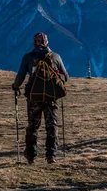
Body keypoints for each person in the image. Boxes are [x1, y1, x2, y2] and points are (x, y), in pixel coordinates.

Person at [12, 32, 69, 164]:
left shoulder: (28, 58)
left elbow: (20, 77)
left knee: (33, 126)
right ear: (47, 42)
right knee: (51, 125)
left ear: (34, 42)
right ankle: (51, 155)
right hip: (51, 98)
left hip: (34, 98)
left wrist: (15, 87)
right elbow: (65, 77)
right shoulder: (55, 57)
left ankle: (31, 156)